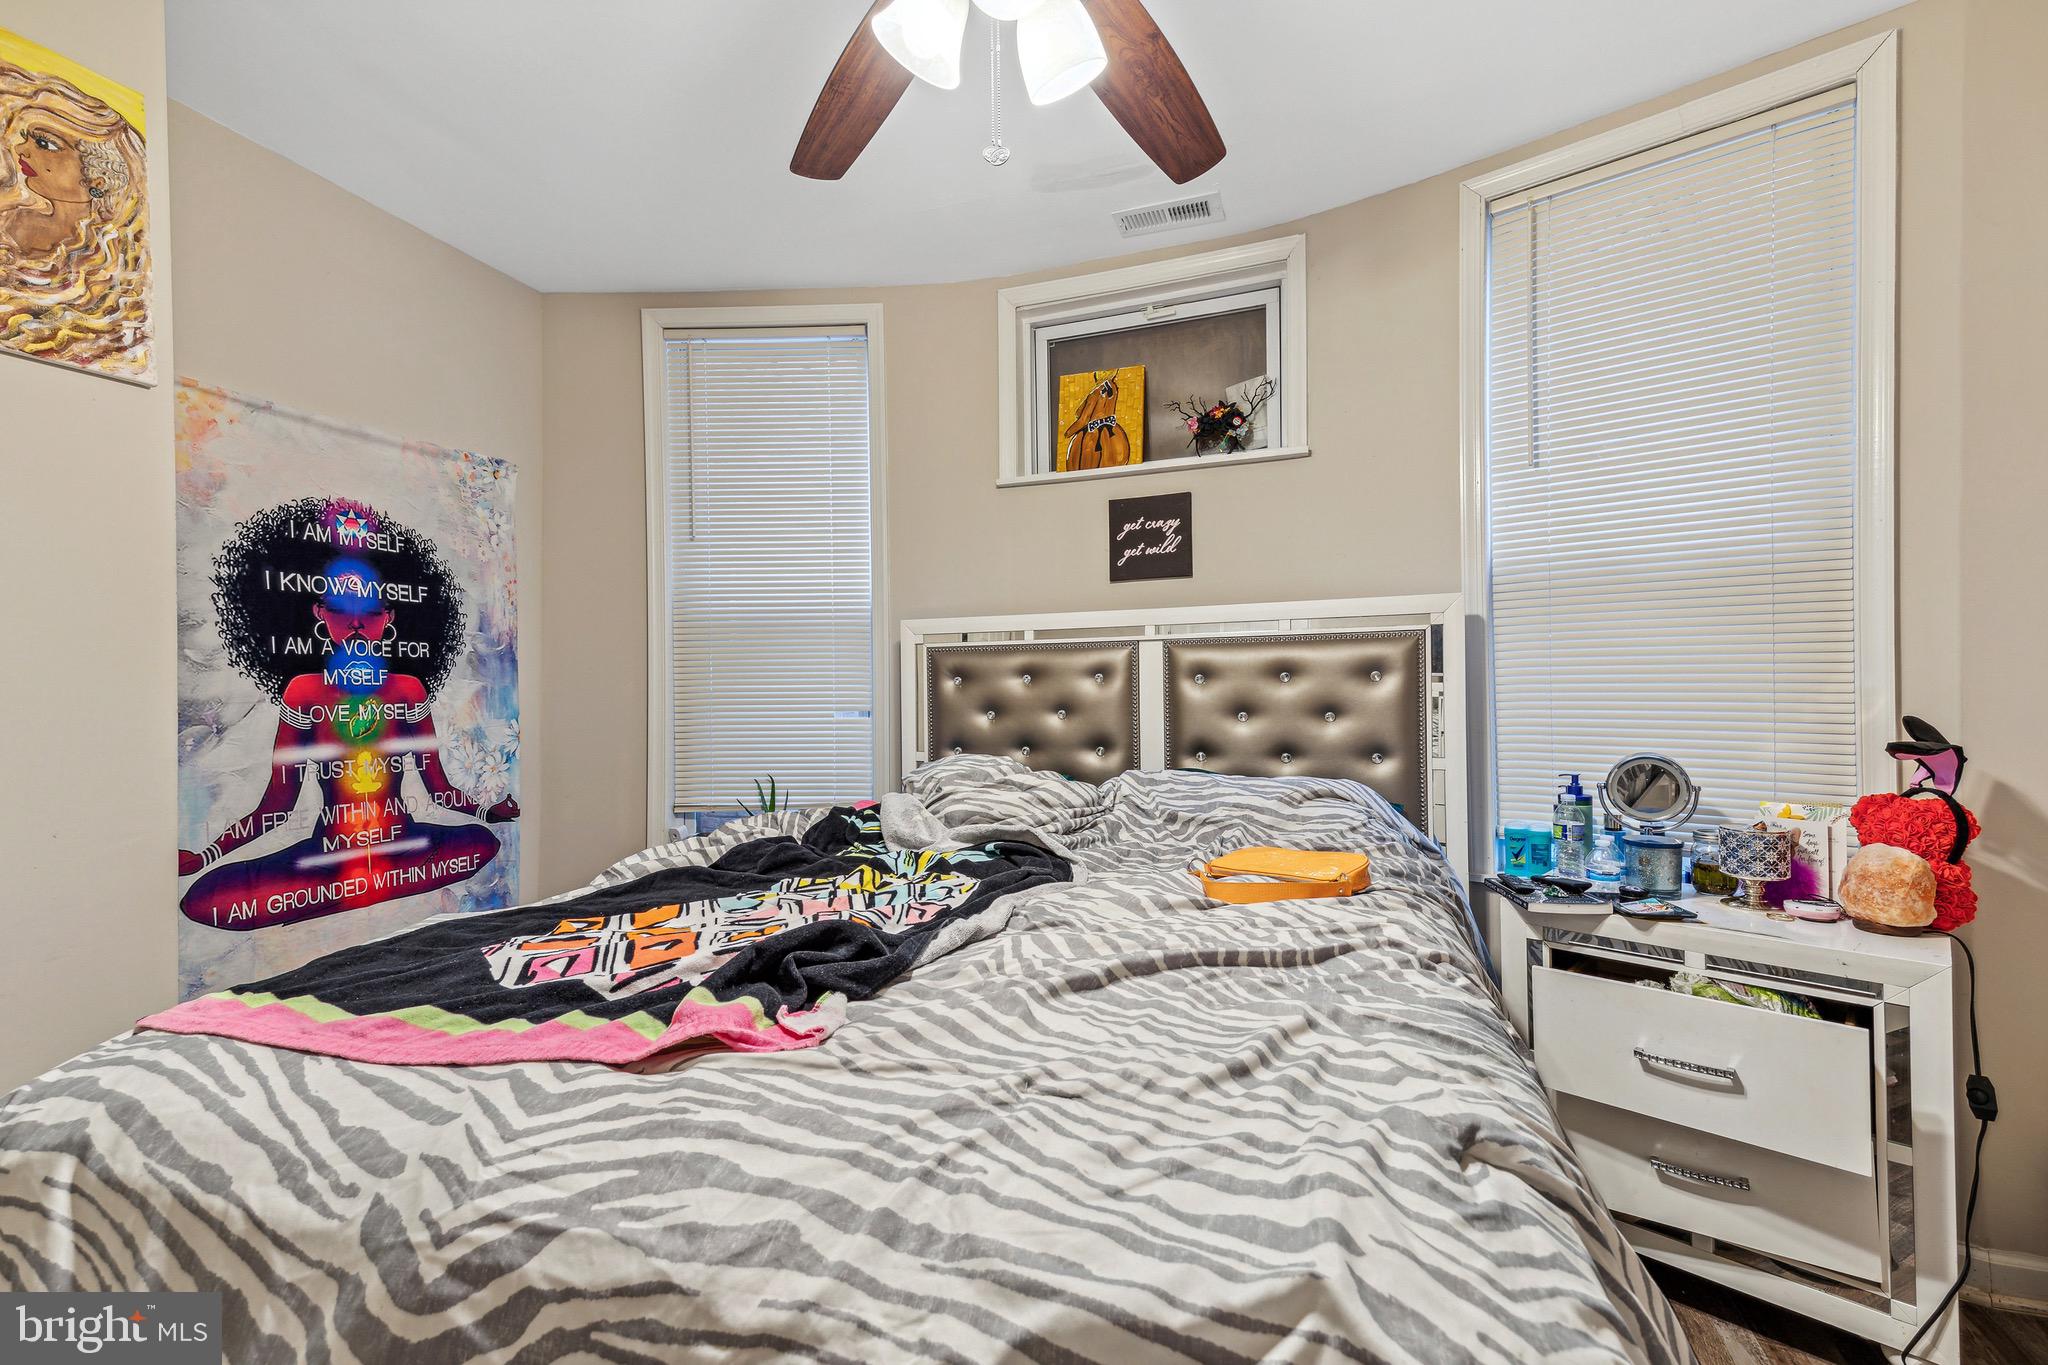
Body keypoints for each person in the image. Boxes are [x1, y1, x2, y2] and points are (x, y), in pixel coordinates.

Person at [179, 499, 516, 931]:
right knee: (209, 901)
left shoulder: (407, 689)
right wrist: (205, 856)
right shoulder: (304, 691)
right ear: (321, 614)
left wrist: (491, 815)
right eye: (341, 611)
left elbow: (439, 790)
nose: (356, 625)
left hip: (404, 847)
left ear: (388, 618)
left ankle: (362, 884)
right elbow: (277, 806)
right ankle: (354, 884)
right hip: (330, 854)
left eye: (370, 613)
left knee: (482, 844)